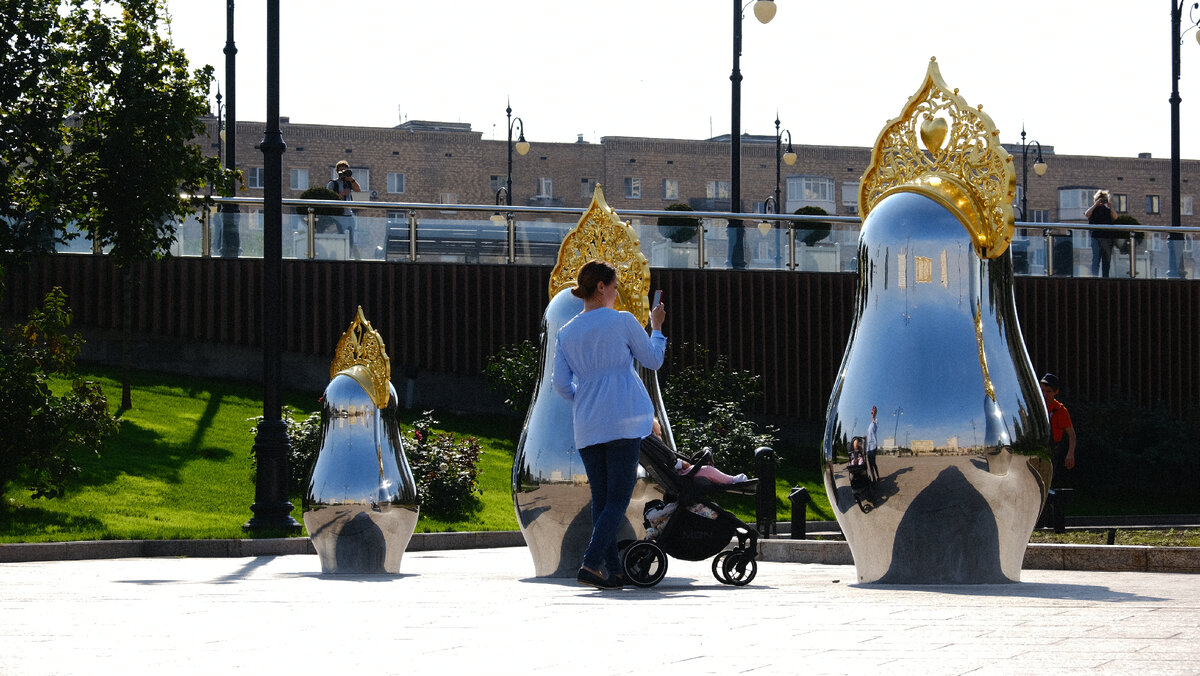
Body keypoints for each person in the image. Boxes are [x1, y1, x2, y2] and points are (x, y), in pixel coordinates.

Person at [552, 260, 666, 589]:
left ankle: (614, 571)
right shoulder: (623, 322)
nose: (617, 293)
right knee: (617, 498)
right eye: (614, 287)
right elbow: (653, 360)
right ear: (601, 287)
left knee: (602, 501)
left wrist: (586, 397)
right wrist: (656, 326)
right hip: (623, 419)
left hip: (588, 424)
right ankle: (590, 563)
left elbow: (561, 385)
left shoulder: (567, 331)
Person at [1039, 373, 1076, 484]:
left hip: (1051, 451)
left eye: (1048, 391)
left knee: (1046, 481)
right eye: (1042, 390)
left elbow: (1072, 436)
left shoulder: (1060, 411)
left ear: (1056, 392)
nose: (1044, 394)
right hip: (1035, 448)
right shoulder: (1036, 406)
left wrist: (1070, 454)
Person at [326, 161, 362, 258]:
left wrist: (351, 180)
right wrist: (341, 195)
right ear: (337, 172)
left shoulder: (349, 183)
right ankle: (339, 257)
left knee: (350, 239)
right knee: (339, 238)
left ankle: (348, 257)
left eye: (345, 170)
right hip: (338, 216)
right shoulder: (333, 183)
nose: (343, 172)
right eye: (341, 170)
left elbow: (358, 190)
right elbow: (328, 198)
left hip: (349, 215)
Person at [1085, 189, 1117, 278]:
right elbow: (1087, 214)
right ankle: (1094, 277)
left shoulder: (1108, 210)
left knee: (1106, 260)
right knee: (1096, 259)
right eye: (1100, 199)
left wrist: (1110, 207)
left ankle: (1105, 277)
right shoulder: (1093, 210)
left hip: (1107, 238)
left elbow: (1115, 217)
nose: (1102, 201)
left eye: (1103, 199)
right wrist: (1095, 204)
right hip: (1096, 237)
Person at [865, 405, 880, 483]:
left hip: (873, 446)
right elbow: (869, 434)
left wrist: (874, 415)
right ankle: (873, 479)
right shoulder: (869, 425)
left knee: (873, 463)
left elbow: (874, 425)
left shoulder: (875, 421)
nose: (872, 412)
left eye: (874, 410)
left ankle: (877, 476)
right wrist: (865, 437)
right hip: (868, 447)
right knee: (870, 464)